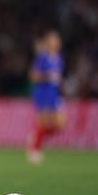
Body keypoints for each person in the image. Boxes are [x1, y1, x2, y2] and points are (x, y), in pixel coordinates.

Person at [27, 30, 65, 164]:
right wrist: (47, 76)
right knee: (43, 123)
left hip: (54, 94)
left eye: (58, 39)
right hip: (42, 94)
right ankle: (34, 149)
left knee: (60, 125)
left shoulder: (59, 57)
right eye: (54, 39)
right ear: (49, 42)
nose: (57, 42)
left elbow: (57, 78)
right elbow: (33, 76)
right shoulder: (42, 57)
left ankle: (35, 137)